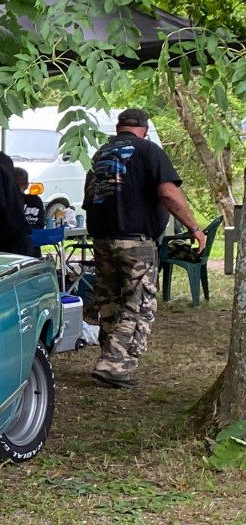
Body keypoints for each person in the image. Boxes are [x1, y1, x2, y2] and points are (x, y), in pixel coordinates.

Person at [83, 107, 207, 389]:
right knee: (138, 302)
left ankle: (111, 359)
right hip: (135, 241)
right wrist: (194, 228)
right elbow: (167, 192)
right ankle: (113, 364)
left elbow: (88, 196)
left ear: (118, 128)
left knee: (110, 300)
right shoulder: (148, 150)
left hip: (102, 238)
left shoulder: (101, 154)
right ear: (144, 129)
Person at [16, 166, 46, 231]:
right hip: (35, 238)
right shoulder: (36, 200)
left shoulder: (7, 201)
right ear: (27, 185)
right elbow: (41, 224)